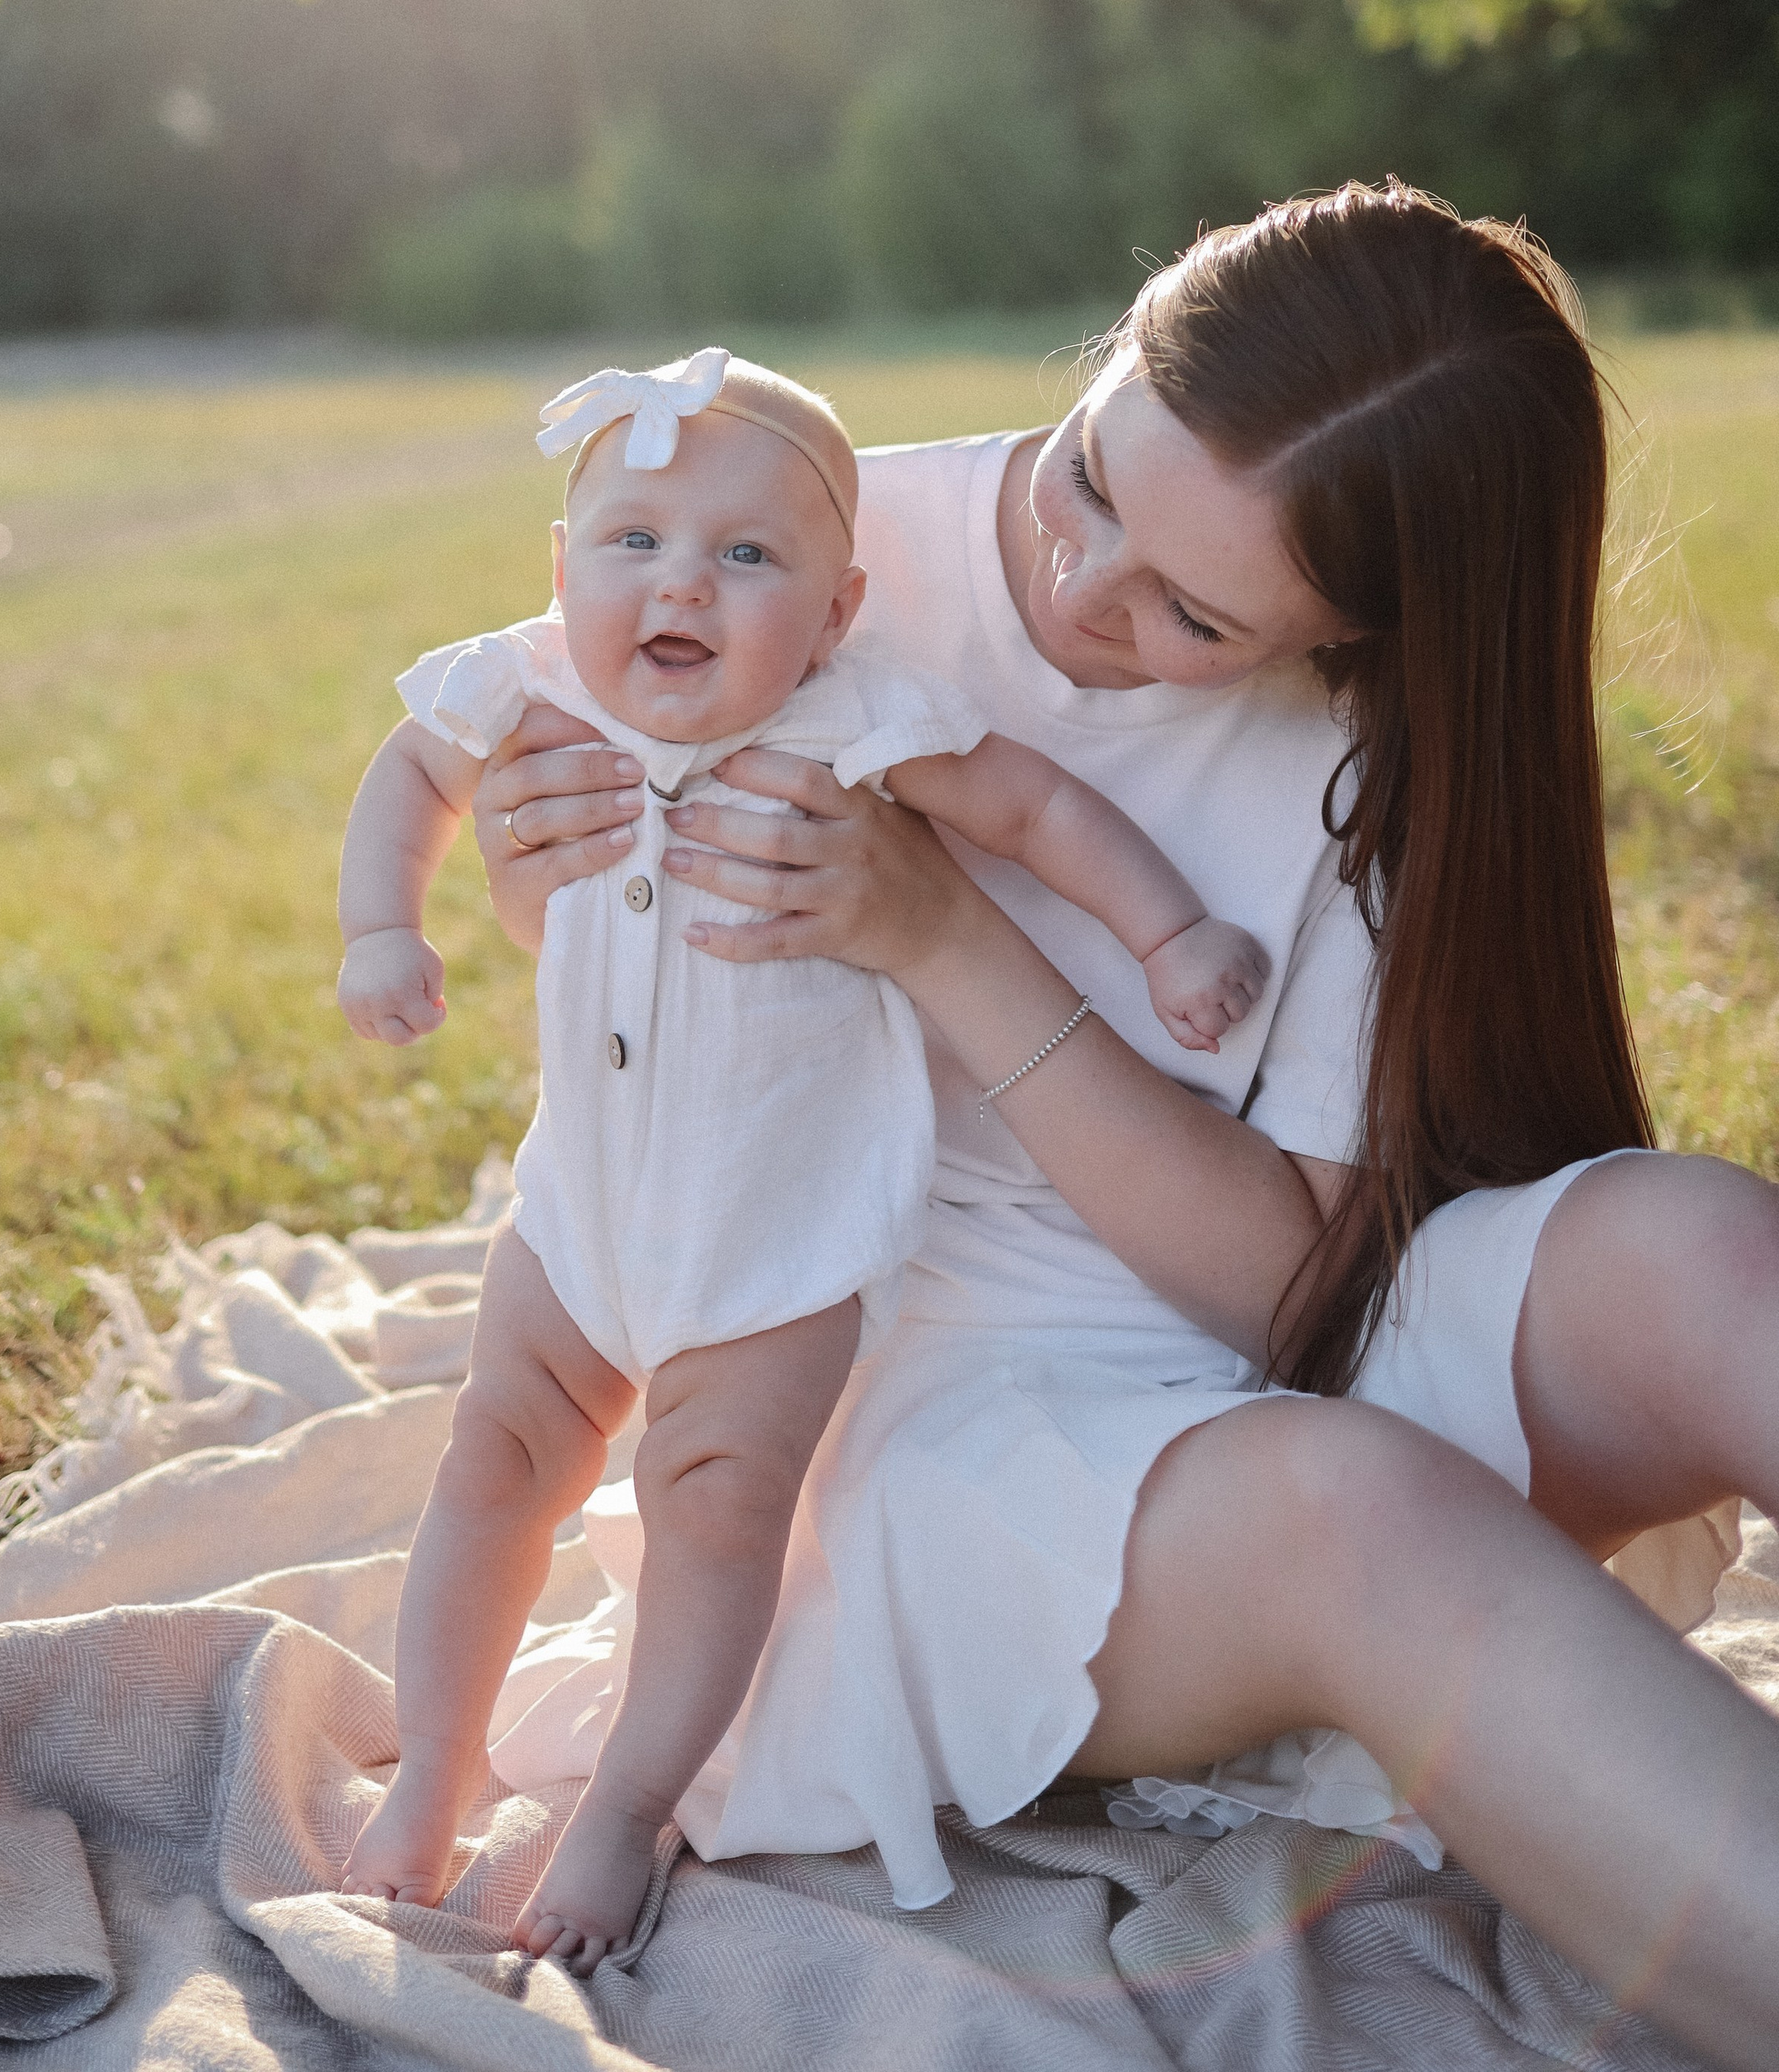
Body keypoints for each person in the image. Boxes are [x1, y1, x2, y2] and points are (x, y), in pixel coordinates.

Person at [472, 182, 1779, 2072]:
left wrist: (944, 936)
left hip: (1242, 1333)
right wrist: (535, 876)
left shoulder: (1368, 740)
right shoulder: (792, 542)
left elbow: (1287, 1302)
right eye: (1090, 477)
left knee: (1694, 1246)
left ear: (1361, 627)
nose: (1084, 587)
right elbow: (600, 937)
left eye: (1192, 612)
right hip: (890, 1425)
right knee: (1352, 1510)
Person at [334, 347, 1268, 1967]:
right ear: (560, 569)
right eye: (633, 541)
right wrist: (380, 927)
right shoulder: (531, 681)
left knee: (715, 1506)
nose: (679, 582)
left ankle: (626, 1805)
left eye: (746, 555)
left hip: (779, 1242)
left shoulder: (856, 721)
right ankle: (431, 1767)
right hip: (578, 1218)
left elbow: (1035, 813)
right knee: (493, 1460)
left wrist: (1170, 931)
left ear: (834, 614)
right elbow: (413, 769)